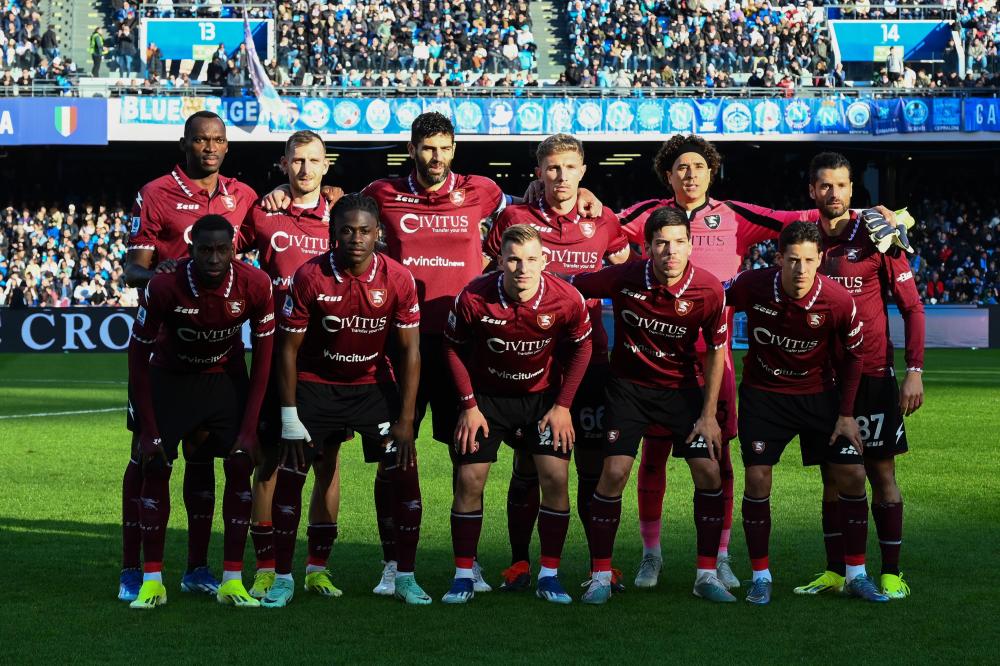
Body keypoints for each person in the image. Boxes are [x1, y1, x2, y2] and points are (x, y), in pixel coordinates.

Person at [616, 134, 900, 591]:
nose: (690, 175)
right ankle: (652, 555)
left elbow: (804, 217)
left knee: (720, 456)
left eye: (699, 166)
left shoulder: (734, 215)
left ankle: (722, 556)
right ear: (668, 174)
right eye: (682, 167)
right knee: (653, 455)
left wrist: (874, 214)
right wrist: (576, 198)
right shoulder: (648, 215)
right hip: (658, 356)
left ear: (712, 172)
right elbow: (596, 224)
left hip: (716, 360)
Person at [118, 111, 257, 603]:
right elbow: (134, 269)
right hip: (165, 351)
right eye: (200, 140)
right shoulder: (156, 193)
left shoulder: (244, 196)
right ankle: (132, 569)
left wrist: (300, 195)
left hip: (220, 356)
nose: (210, 147)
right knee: (147, 458)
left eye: (217, 140)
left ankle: (197, 568)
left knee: (205, 458)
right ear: (185, 144)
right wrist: (164, 275)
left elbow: (271, 235)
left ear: (227, 146)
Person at [267, 193, 431, 606]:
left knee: (403, 471)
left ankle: (405, 576)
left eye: (364, 231)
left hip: (372, 385)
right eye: (346, 230)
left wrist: (407, 419)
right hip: (315, 385)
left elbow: (411, 351)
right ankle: (283, 579)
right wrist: (289, 415)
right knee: (292, 473)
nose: (356, 238)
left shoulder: (398, 278)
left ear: (378, 234)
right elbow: (286, 350)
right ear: (332, 234)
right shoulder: (310, 276)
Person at [483, 134, 630, 592]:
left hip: (590, 361)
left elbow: (624, 263)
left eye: (570, 167)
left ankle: (599, 566)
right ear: (539, 173)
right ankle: (519, 563)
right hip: (533, 365)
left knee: (592, 467)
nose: (561, 176)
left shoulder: (603, 219)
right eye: (552, 167)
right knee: (530, 465)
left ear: (583, 171)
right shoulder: (515, 217)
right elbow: (489, 269)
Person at [574, 207, 733, 604]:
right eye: (661, 243)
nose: (670, 251)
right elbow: (574, 284)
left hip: (682, 390)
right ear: (647, 247)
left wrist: (708, 415)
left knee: (709, 471)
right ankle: (600, 575)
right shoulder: (625, 277)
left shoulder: (708, 289)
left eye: (679, 242)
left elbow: (717, 351)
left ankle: (706, 574)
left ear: (691, 245)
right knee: (614, 472)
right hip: (628, 390)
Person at [726, 221, 888, 605]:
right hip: (764, 398)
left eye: (809, 261)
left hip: (819, 397)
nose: (801, 269)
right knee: (757, 478)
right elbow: (712, 297)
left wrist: (846, 414)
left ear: (820, 260)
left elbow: (855, 357)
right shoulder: (752, 285)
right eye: (793, 260)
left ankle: (856, 574)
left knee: (852, 475)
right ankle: (761, 577)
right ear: (778, 258)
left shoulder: (837, 300)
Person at [793, 153, 924, 600]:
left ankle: (892, 573)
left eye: (841, 185)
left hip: (872, 374)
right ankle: (836, 571)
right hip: (822, 380)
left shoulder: (878, 234)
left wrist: (914, 371)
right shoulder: (807, 240)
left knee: (880, 471)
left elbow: (912, 307)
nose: (833, 193)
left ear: (853, 189)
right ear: (812, 191)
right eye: (825, 185)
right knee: (832, 477)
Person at [127, 214, 275, 610]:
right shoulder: (164, 286)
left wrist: (249, 429)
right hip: (171, 378)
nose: (213, 258)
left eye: (221, 250)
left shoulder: (256, 284)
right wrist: (148, 430)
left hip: (224, 379)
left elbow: (263, 361)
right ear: (191, 250)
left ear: (233, 250)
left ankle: (231, 580)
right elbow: (138, 358)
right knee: (155, 466)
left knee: (240, 463)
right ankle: (152, 582)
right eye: (205, 250)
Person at [442, 224, 592, 604]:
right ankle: (463, 576)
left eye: (530, 259)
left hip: (542, 400)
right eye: (513, 260)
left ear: (544, 260)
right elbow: (452, 348)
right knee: (469, 480)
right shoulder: (473, 297)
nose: (522, 268)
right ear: (499, 262)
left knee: (555, 478)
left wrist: (563, 406)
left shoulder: (565, 298)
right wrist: (469, 406)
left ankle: (549, 576)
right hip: (487, 400)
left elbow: (583, 348)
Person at [235, 130, 342, 601]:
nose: (304, 169)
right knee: (268, 461)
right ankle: (265, 568)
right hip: (275, 354)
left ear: (326, 165)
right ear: (283, 164)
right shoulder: (264, 212)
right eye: (296, 161)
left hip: (329, 359)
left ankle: (318, 568)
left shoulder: (342, 213)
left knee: (327, 462)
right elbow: (222, 250)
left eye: (313, 161)